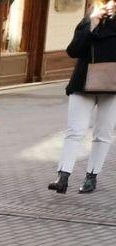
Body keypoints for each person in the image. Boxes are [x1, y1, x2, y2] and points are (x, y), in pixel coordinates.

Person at [49, 0, 116, 194]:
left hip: (111, 86)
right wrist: (93, 24)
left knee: (103, 133)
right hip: (83, 83)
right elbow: (73, 51)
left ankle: (91, 177)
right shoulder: (89, 20)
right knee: (74, 131)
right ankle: (63, 176)